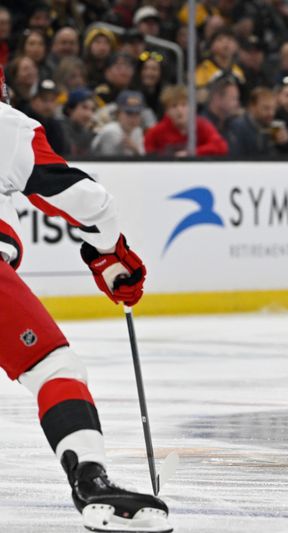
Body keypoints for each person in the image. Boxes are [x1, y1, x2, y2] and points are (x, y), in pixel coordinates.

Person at [0, 66, 171, 532]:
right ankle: (91, 482)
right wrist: (110, 256)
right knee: (55, 369)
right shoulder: (7, 125)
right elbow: (90, 203)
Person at [144, 84, 228, 157]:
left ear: (192, 107)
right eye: (174, 106)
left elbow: (221, 146)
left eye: (183, 105)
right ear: (167, 111)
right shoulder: (156, 132)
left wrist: (193, 153)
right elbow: (148, 152)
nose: (179, 110)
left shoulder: (201, 125)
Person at [91, 90, 145, 156]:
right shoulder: (111, 131)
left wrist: (135, 149)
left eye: (137, 113)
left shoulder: (137, 131)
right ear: (118, 114)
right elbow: (107, 162)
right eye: (129, 113)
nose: (133, 118)